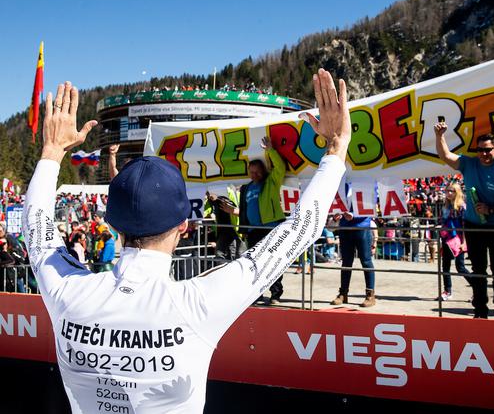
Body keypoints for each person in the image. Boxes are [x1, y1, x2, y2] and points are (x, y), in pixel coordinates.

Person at [22, 71, 350, 413]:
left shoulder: (69, 291)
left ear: (114, 224)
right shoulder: (197, 303)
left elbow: (35, 228)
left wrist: (52, 150)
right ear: (184, 225)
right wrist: (336, 145)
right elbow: (300, 230)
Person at [435, 125, 494, 319]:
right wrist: (439, 135)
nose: (484, 153)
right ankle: (480, 311)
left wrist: (492, 210)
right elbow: (445, 156)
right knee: (478, 270)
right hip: (474, 227)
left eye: (488, 149)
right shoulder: (469, 164)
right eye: (480, 149)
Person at [238, 136, 286, 304]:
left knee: (273, 262)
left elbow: (280, 167)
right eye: (251, 172)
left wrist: (270, 150)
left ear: (264, 170)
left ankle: (275, 294)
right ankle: (257, 294)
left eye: (257, 171)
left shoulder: (271, 182)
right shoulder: (247, 188)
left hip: (271, 228)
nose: (254, 174)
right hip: (253, 231)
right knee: (255, 264)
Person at [330, 199, 377, 307]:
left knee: (366, 261)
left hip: (362, 226)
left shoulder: (364, 183)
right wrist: (335, 216)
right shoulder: (342, 185)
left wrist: (354, 215)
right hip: (345, 227)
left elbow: (370, 203)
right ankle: (343, 293)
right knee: (346, 262)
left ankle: (370, 295)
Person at [438, 182, 471, 301]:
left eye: (451, 191)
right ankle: (447, 291)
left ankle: (477, 288)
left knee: (460, 267)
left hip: (459, 239)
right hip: (446, 239)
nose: (448, 193)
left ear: (457, 192)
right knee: (445, 267)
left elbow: (465, 226)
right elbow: (442, 221)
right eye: (447, 191)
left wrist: (465, 242)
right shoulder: (445, 206)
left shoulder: (462, 206)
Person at [205, 186, 241, 261]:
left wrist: (231, 210)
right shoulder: (210, 199)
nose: (208, 196)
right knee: (219, 255)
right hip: (221, 231)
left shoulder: (229, 192)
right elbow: (205, 211)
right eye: (207, 194)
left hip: (233, 231)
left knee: (233, 256)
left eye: (208, 193)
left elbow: (237, 208)